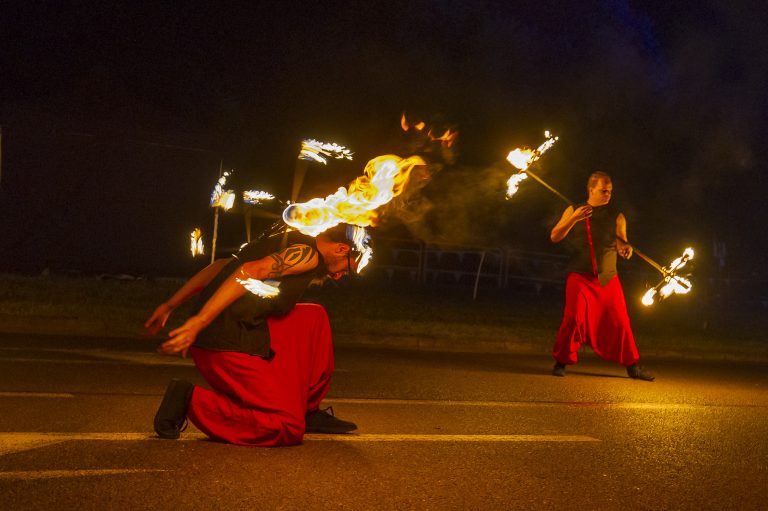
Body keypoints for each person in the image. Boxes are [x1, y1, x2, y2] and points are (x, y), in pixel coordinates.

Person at [144, 224, 366, 446]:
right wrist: (200, 321)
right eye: (347, 269)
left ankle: (308, 410)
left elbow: (221, 267)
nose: (338, 276)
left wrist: (169, 305)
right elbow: (251, 270)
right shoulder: (308, 255)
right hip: (226, 341)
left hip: (237, 328)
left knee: (314, 317)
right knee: (287, 426)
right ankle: (189, 399)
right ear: (341, 249)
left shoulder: (285, 238)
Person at [549, 171, 654, 381]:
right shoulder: (573, 208)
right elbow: (555, 236)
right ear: (591, 189)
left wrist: (625, 249)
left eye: (610, 191)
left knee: (621, 322)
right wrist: (573, 218)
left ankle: (632, 367)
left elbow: (622, 242)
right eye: (603, 190)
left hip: (607, 276)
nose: (608, 194)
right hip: (580, 275)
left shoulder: (617, 215)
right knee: (573, 319)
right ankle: (561, 362)